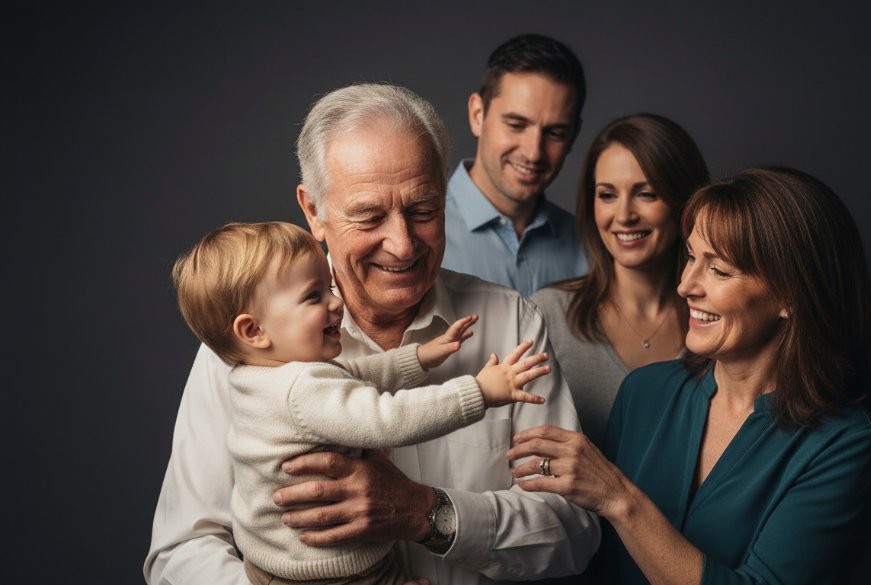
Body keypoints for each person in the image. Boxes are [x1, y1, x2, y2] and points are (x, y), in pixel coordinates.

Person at [144, 83, 599, 585]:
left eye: (423, 210)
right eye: (369, 215)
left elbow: (574, 531)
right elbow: (181, 552)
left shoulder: (513, 324)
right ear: (313, 212)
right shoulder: (247, 350)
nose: (402, 245)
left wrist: (428, 514)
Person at [509, 167, 871, 584]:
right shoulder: (644, 392)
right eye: (692, 257)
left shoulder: (848, 444)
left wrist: (618, 498)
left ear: (792, 295)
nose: (686, 286)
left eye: (720, 270)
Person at [170, 221, 552, 585]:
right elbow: (388, 419)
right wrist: (479, 391)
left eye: (329, 288)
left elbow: (350, 376)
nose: (336, 303)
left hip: (270, 565)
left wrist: (417, 358)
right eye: (314, 297)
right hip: (333, 575)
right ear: (253, 330)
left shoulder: (257, 375)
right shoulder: (300, 389)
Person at [531, 114, 709, 450]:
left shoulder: (716, 321)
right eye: (607, 195)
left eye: (647, 194)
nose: (624, 215)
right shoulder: (547, 315)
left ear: (685, 202)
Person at [442, 33, 588, 297]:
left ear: (574, 136)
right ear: (477, 115)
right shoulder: (417, 237)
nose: (533, 153)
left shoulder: (590, 247)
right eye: (516, 125)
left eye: (555, 133)